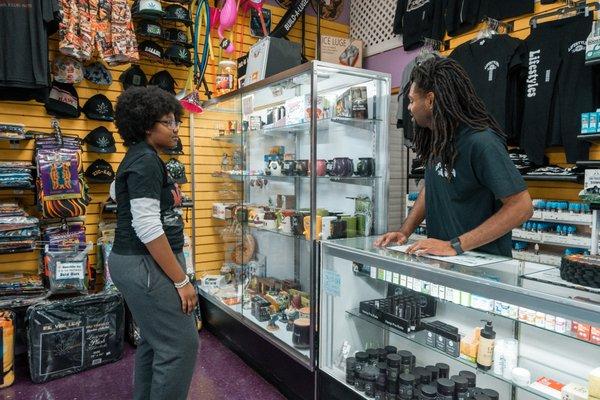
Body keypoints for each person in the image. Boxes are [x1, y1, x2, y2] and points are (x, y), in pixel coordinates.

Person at [375, 56, 533, 257]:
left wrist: (455, 245)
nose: (408, 108)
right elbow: (433, 185)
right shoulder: (439, 137)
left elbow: (522, 207)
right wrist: (404, 231)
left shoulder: (482, 142)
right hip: (446, 262)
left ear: (430, 100)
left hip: (482, 266)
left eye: (412, 101)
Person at [108, 86, 198, 400]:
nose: (176, 128)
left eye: (176, 121)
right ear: (147, 126)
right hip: (146, 263)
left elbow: (115, 192)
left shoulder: (139, 158)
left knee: (153, 342)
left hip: (136, 262)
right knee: (180, 347)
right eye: (168, 122)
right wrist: (181, 279)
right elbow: (147, 227)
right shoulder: (145, 161)